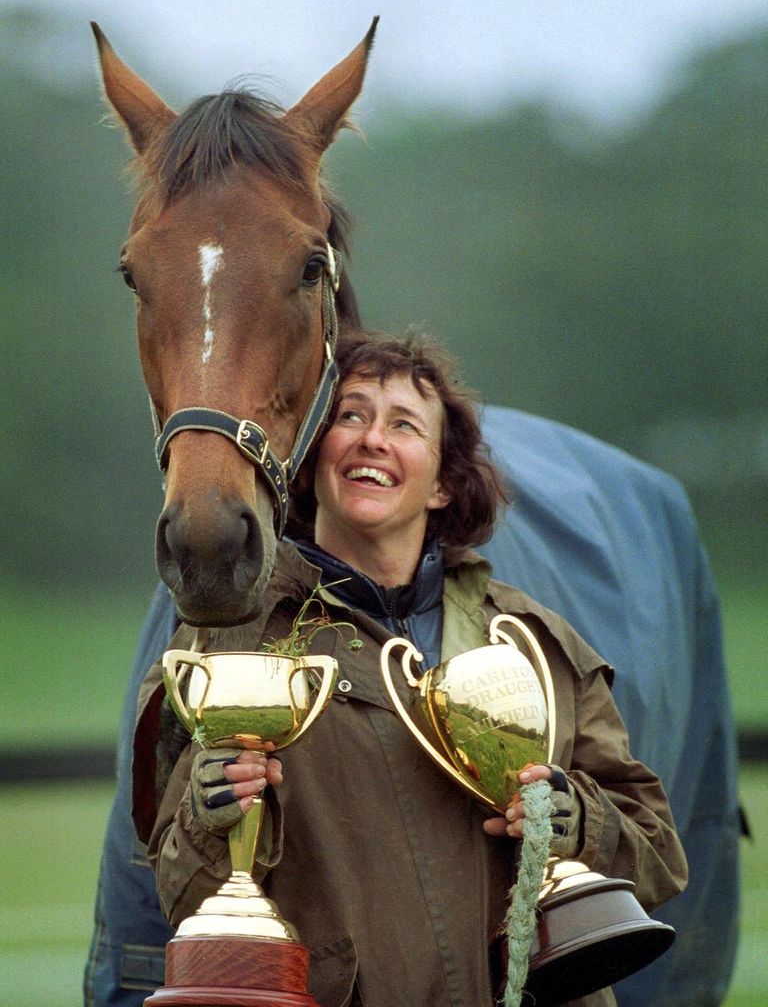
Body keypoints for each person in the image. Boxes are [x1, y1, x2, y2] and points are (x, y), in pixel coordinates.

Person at [84, 357, 740, 1007]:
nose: (374, 437)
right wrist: (207, 815)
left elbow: (657, 850)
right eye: (352, 416)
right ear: (312, 462)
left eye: (404, 425)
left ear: (442, 485)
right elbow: (180, 895)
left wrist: (576, 821)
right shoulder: (223, 648)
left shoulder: (534, 637)